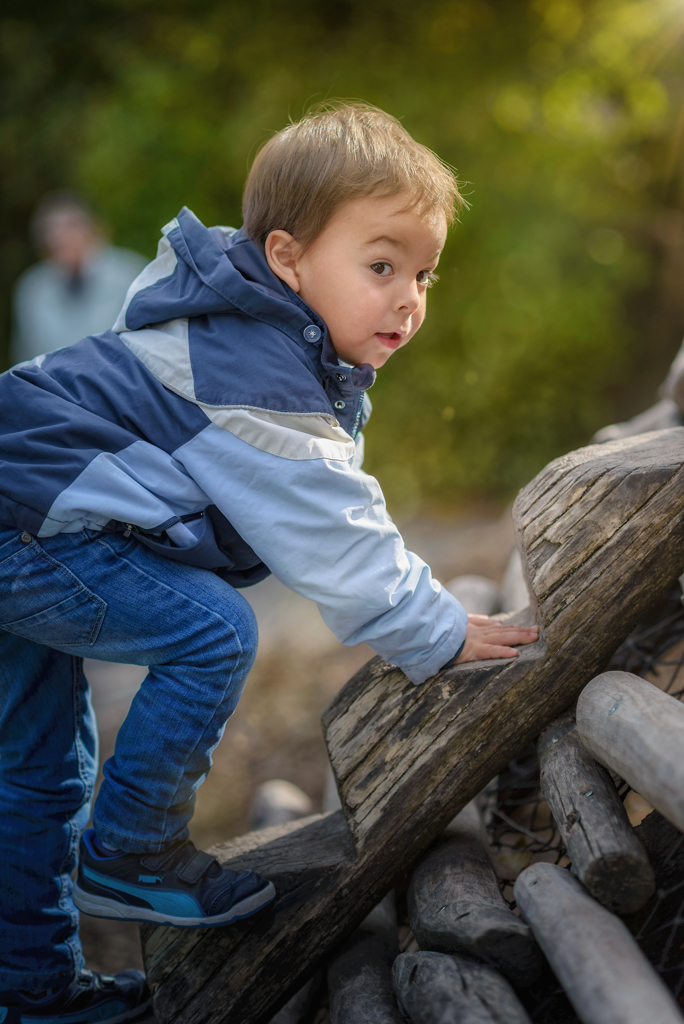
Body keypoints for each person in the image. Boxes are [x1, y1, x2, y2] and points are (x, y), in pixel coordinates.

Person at [0, 103, 538, 1021]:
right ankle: (131, 851)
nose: (409, 296)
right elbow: (332, 528)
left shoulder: (240, 334)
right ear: (287, 259)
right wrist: (436, 630)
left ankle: (33, 995)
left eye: (423, 273)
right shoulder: (247, 371)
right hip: (24, 531)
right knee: (209, 628)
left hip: (27, 518)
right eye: (381, 266)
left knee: (36, 764)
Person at [10, 192, 146, 364]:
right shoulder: (32, 289)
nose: (60, 236)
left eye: (71, 227)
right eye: (51, 231)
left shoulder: (131, 273)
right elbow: (25, 357)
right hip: (54, 387)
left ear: (94, 230)